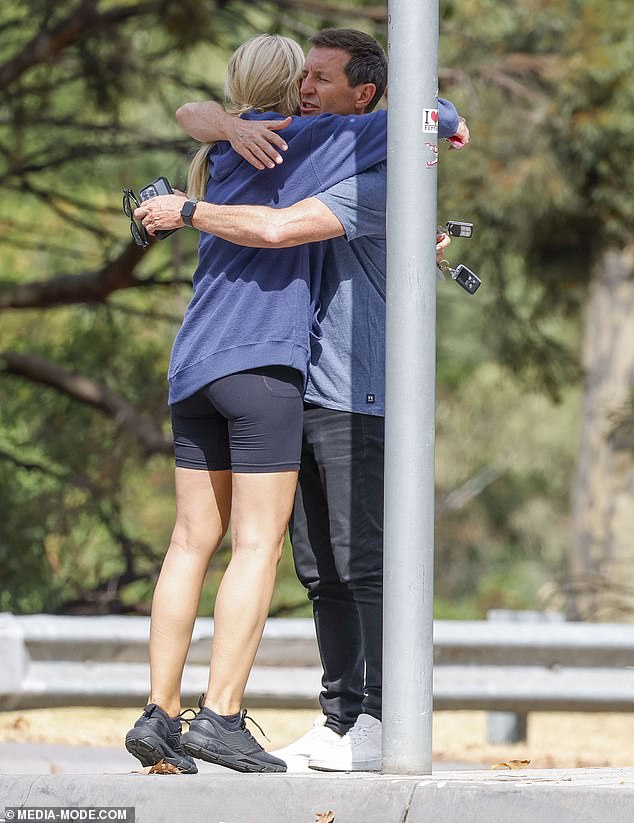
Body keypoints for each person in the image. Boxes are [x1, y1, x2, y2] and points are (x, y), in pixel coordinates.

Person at [139, 29, 467, 773]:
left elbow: (279, 226)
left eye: (323, 79)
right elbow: (197, 114)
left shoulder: (358, 162)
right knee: (317, 569)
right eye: (304, 78)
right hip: (294, 384)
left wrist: (187, 207)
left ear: (365, 95)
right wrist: (229, 125)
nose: (309, 91)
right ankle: (339, 715)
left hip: (352, 392)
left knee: (358, 561)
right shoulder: (282, 146)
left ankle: (378, 714)